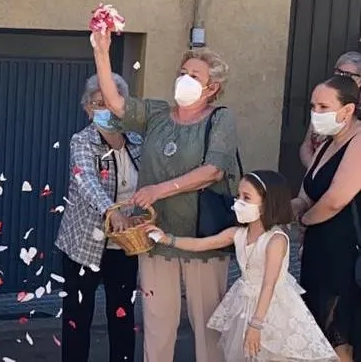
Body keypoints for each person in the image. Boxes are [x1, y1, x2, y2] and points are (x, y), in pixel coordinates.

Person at [92, 30, 240, 362]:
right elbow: (116, 103)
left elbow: (214, 170)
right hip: (155, 237)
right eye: (182, 73)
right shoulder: (158, 114)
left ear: (212, 87)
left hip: (203, 238)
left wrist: (159, 189)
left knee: (208, 329)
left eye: (194, 75)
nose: (184, 79)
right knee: (157, 327)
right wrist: (102, 52)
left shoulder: (221, 118)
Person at [146, 170, 337, 362]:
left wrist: (256, 324)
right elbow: (201, 244)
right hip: (245, 303)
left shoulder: (276, 240)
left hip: (270, 307)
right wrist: (167, 239)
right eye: (238, 196)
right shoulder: (237, 233)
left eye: (246, 197)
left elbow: (269, 284)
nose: (238, 202)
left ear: (266, 204)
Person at [54, 72, 142, 362]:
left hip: (125, 244)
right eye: (97, 103)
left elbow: (149, 182)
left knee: (122, 316)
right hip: (83, 245)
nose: (103, 108)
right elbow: (86, 181)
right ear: (87, 108)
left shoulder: (137, 141)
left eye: (110, 102)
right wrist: (111, 211)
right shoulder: (81, 141)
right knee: (78, 319)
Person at [294, 75, 361, 362]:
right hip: (318, 251)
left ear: (347, 110)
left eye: (323, 106)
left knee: (338, 336)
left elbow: (335, 200)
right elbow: (306, 193)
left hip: (344, 253)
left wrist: (304, 220)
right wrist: (289, 209)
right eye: (313, 106)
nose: (316, 113)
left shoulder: (358, 142)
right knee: (316, 330)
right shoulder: (326, 144)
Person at [299, 52, 361, 169]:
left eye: (349, 74)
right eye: (339, 72)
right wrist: (314, 169)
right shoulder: (322, 103)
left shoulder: (357, 112)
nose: (342, 77)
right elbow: (306, 145)